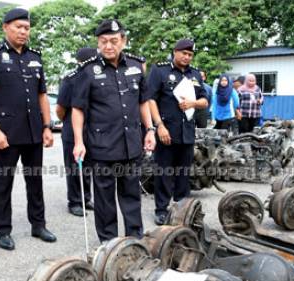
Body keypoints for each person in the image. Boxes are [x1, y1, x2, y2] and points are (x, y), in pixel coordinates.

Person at [0, 8, 56, 250]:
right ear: (5, 27)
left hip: (33, 131)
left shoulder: (35, 56)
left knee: (35, 180)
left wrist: (47, 126)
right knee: (3, 183)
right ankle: (3, 230)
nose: (23, 32)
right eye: (18, 27)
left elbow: (42, 94)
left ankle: (38, 225)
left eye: (26, 28)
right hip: (7, 133)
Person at [71, 19, 156, 242]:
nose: (109, 46)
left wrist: (150, 130)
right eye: (103, 41)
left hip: (131, 145)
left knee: (131, 197)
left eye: (114, 41)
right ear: (98, 42)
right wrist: (78, 142)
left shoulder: (136, 67)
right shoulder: (87, 70)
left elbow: (143, 102)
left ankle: (134, 241)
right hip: (102, 147)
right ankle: (108, 245)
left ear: (123, 41)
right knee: (105, 200)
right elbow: (77, 109)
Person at [146, 39, 209, 225]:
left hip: (187, 132)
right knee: (163, 172)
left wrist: (193, 103)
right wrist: (159, 126)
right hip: (166, 130)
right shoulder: (160, 70)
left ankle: (181, 208)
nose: (186, 57)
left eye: (190, 55)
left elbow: (205, 100)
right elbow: (150, 100)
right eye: (183, 53)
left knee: (183, 173)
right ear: (175, 51)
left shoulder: (195, 74)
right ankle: (161, 209)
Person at [56, 47, 97, 217]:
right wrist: (68, 121)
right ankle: (74, 201)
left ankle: (86, 198)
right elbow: (60, 109)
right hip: (72, 131)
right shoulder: (71, 79)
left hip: (93, 130)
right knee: (74, 168)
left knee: (87, 167)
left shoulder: (97, 77)